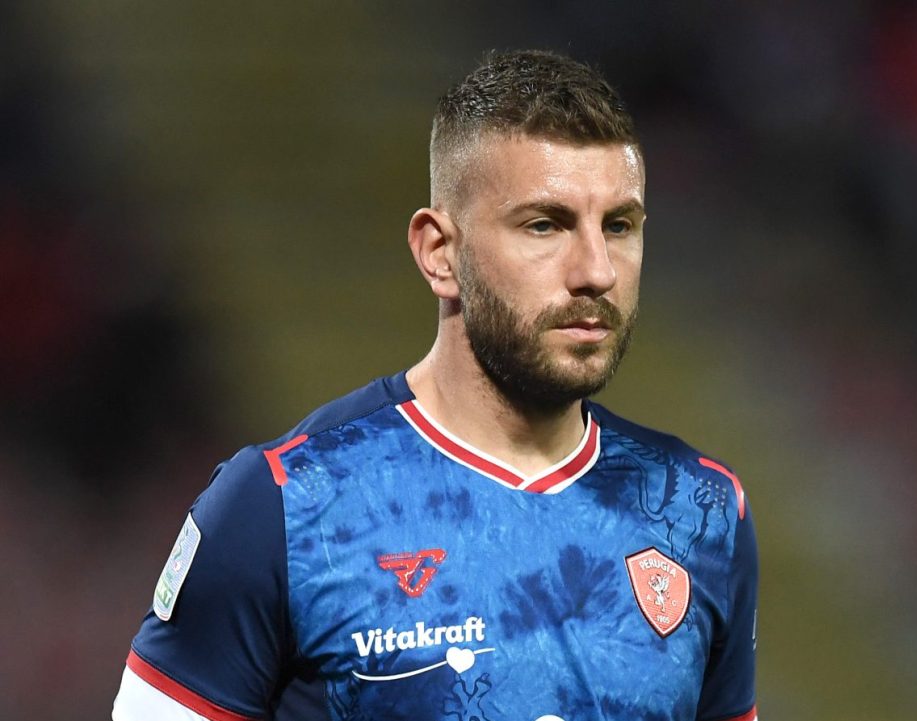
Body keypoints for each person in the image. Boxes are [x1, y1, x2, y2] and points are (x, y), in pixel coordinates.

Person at [112, 49, 758, 721]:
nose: (597, 271)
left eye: (619, 226)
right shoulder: (282, 505)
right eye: (545, 224)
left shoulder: (702, 509)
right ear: (439, 253)